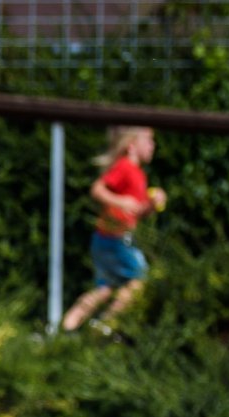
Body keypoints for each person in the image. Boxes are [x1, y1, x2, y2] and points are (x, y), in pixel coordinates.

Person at [62, 126, 166, 334]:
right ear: (131, 145)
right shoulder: (126, 167)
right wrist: (120, 201)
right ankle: (103, 326)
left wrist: (152, 204)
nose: (152, 145)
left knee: (104, 289)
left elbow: (136, 210)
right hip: (118, 239)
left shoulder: (136, 174)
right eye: (148, 140)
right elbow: (97, 189)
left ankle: (64, 328)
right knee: (140, 282)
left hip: (105, 238)